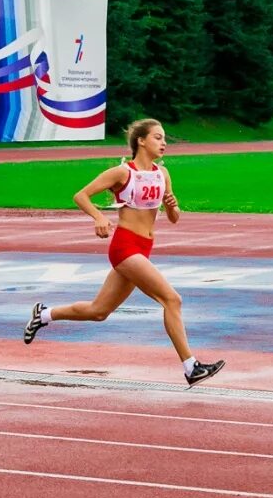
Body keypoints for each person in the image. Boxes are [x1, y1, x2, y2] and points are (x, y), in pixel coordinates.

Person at [23, 118, 225, 386]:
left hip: (144, 248)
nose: (164, 143)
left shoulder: (162, 174)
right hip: (126, 247)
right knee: (172, 300)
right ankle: (191, 367)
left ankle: (45, 314)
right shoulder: (122, 173)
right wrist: (98, 217)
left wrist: (173, 206)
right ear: (141, 141)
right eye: (157, 137)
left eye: (164, 138)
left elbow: (173, 218)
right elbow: (81, 195)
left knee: (99, 311)